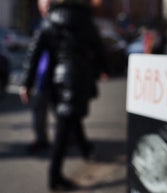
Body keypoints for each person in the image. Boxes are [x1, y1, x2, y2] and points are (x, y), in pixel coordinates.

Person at [19, 0, 109, 190]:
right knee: (66, 123)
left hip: (57, 81)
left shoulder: (49, 21)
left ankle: (78, 156)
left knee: (68, 120)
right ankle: (55, 176)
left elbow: (34, 53)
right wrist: (103, 69)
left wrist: (26, 84)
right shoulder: (85, 19)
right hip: (79, 79)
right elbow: (99, 48)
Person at [24, 0, 52, 154]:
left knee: (63, 113)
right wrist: (27, 83)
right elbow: (33, 57)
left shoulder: (52, 24)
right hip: (43, 76)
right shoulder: (42, 25)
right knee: (39, 109)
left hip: (55, 77)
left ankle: (71, 139)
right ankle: (42, 139)